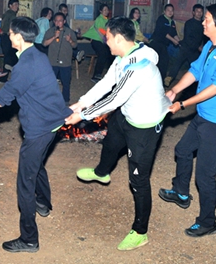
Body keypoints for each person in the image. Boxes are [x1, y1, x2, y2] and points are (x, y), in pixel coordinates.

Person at [0, 17, 72, 254]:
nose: (8, 36)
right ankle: (44, 202)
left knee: (25, 182)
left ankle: (29, 239)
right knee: (36, 164)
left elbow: (3, 100)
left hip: (40, 127)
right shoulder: (36, 55)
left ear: (19, 37)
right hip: (52, 123)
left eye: (10, 33)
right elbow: (9, 90)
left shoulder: (25, 64)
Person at [68, 16, 175, 251]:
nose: (105, 42)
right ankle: (102, 173)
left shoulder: (139, 66)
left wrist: (83, 115)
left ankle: (140, 232)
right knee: (111, 142)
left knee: (138, 180)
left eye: (107, 38)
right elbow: (108, 83)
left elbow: (115, 98)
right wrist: (82, 102)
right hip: (127, 114)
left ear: (118, 38)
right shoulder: (123, 57)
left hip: (144, 125)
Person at [159, 3, 216, 237]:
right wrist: (175, 90)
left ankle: (208, 222)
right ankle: (181, 192)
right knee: (182, 150)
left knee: (204, 175)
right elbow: (196, 71)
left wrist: (183, 104)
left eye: (207, 19)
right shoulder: (210, 45)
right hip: (204, 115)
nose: (203, 22)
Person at [167, 4, 207, 84]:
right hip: (186, 48)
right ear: (193, 12)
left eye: (201, 11)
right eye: (197, 11)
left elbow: (205, 37)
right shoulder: (189, 23)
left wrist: (204, 47)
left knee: (196, 68)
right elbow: (188, 38)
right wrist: (198, 47)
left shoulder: (204, 24)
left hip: (195, 51)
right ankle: (168, 80)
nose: (199, 13)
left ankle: (196, 84)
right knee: (177, 64)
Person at [43, 12, 77, 103]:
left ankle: (65, 100)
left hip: (65, 62)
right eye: (56, 21)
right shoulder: (50, 31)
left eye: (60, 21)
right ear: (54, 22)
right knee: (50, 83)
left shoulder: (70, 32)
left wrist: (70, 40)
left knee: (66, 83)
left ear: (64, 21)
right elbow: (44, 44)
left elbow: (75, 45)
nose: (58, 23)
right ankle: (49, 100)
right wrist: (54, 36)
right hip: (52, 61)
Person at [149, 4, 180, 81]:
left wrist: (179, 41)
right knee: (154, 63)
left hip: (163, 45)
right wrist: (173, 40)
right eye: (168, 10)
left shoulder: (172, 22)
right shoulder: (161, 19)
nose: (170, 12)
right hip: (155, 43)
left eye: (172, 10)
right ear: (164, 11)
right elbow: (164, 33)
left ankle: (161, 81)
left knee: (164, 63)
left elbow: (174, 34)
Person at [82, 3, 112, 83]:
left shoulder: (106, 19)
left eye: (107, 10)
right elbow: (100, 30)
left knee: (106, 54)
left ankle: (100, 74)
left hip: (101, 40)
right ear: (100, 11)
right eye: (104, 10)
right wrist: (106, 38)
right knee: (103, 54)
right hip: (96, 40)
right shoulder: (99, 19)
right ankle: (96, 75)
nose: (106, 11)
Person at [0, 0, 20, 74]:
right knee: (12, 56)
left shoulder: (6, 14)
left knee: (8, 56)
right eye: (15, 4)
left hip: (4, 37)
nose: (17, 6)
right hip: (9, 37)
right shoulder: (12, 15)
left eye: (17, 4)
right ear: (10, 6)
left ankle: (5, 75)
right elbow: (13, 27)